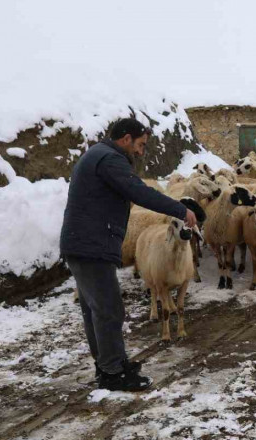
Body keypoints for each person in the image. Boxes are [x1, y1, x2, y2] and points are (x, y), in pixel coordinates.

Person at [59, 118, 198, 392]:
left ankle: (111, 363)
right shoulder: (110, 159)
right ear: (125, 139)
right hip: (90, 245)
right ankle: (112, 373)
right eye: (141, 144)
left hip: (83, 243)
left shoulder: (99, 155)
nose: (141, 151)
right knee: (109, 310)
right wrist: (180, 210)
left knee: (95, 310)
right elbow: (138, 191)